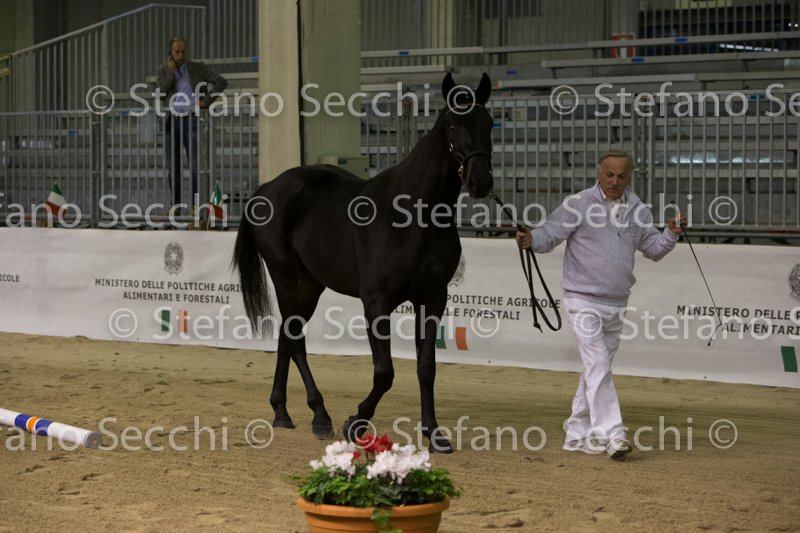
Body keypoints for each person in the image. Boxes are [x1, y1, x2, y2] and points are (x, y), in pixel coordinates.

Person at [516, 149, 686, 459]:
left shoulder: (638, 209)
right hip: (581, 300)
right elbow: (549, 233)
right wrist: (531, 239)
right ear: (599, 173)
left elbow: (652, 248)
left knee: (596, 370)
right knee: (598, 365)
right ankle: (613, 434)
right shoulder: (579, 203)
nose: (614, 181)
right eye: (609, 174)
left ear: (629, 177)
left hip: (616, 303)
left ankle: (576, 435)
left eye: (621, 176)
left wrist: (670, 234)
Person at [156, 36, 228, 209]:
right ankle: (176, 206)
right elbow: (160, 94)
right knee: (173, 166)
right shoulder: (163, 70)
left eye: (183, 51)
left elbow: (221, 81)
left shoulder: (197, 68)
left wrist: (205, 101)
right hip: (172, 120)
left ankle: (197, 206)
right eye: (177, 52)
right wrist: (171, 74)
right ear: (170, 52)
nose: (180, 55)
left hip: (192, 118)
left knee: (195, 166)